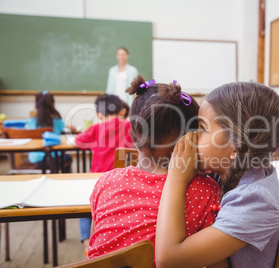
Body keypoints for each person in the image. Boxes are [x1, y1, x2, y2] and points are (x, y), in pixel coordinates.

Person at [155, 82, 279, 268]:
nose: (192, 135)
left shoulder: (257, 200)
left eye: (202, 128)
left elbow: (169, 259)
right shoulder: (238, 175)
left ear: (235, 146)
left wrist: (176, 176)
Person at [87, 75, 221, 267]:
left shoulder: (106, 181)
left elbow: (95, 246)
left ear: (132, 134)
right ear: (192, 140)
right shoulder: (206, 190)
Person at [75, 94, 133, 253]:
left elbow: (79, 141)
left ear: (98, 114)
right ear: (121, 111)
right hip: (124, 182)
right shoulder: (129, 126)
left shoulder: (95, 128)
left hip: (97, 180)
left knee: (87, 208)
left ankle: (88, 243)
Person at [26, 90, 72, 173]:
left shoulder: (30, 122)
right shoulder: (57, 122)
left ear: (36, 105)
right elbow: (72, 127)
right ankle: (65, 179)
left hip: (36, 159)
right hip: (55, 158)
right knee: (68, 158)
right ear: (53, 105)